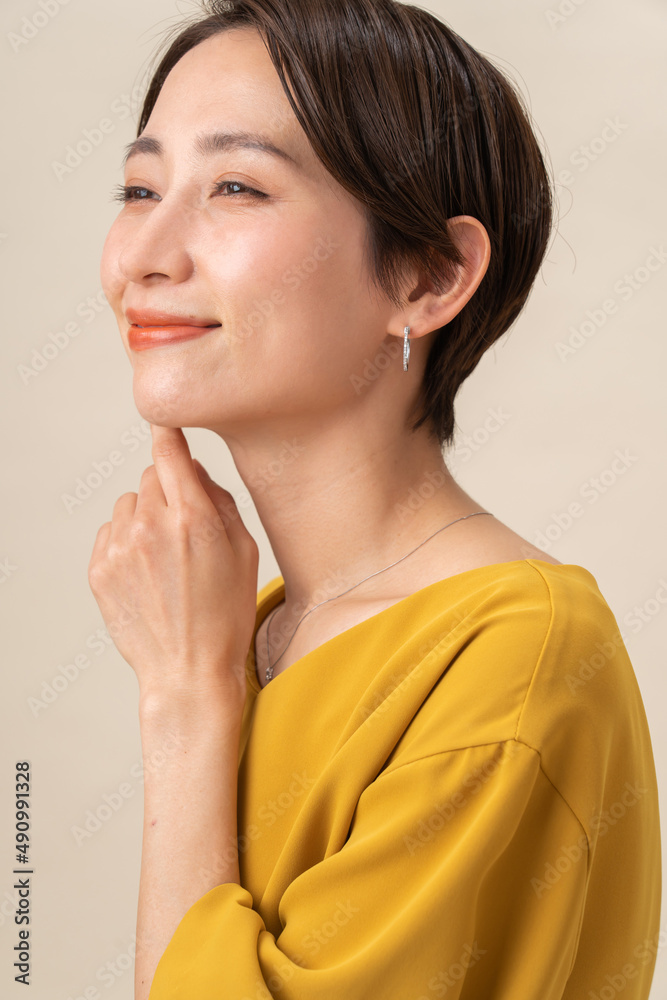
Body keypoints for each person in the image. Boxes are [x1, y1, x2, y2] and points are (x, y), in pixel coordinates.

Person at [88, 0, 661, 997]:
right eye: (139, 189)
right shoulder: (257, 633)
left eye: (235, 186)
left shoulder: (509, 655)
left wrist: (183, 700)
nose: (144, 255)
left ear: (430, 276)